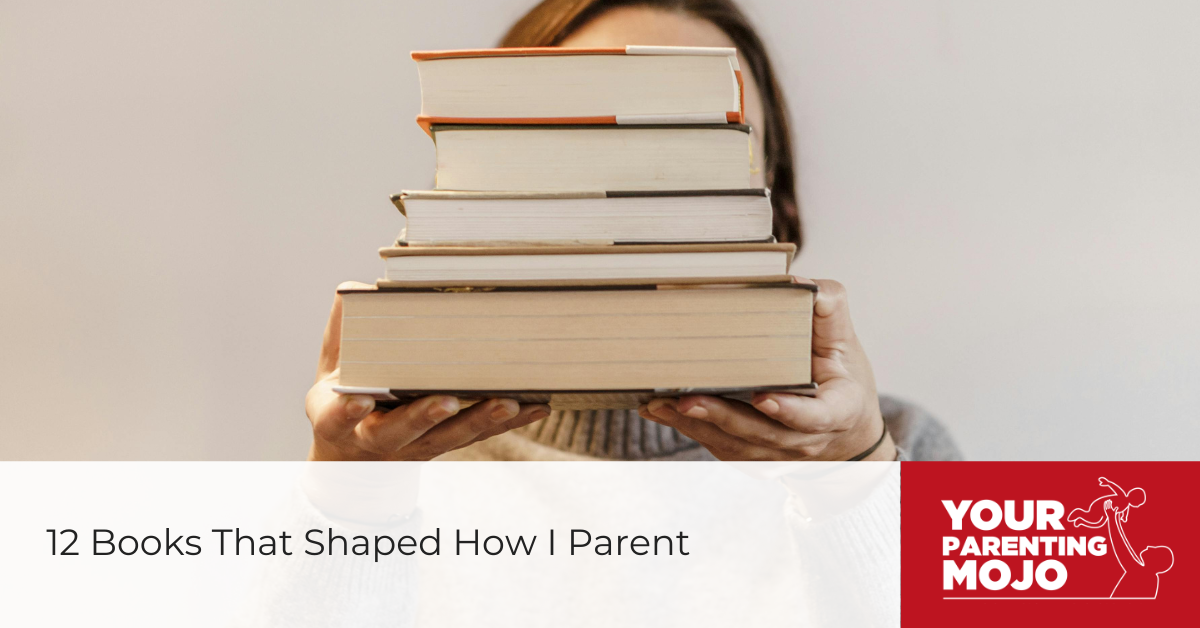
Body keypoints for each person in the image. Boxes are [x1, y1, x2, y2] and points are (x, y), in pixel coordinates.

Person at [305, 0, 963, 465]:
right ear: (483, 201)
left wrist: (857, 478)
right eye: (585, 147)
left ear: (776, 213)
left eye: (703, 152)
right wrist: (344, 507)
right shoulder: (397, 456)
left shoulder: (905, 448)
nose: (642, 216)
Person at [1104, 499, 1173, 598]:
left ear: (1155, 561)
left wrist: (1111, 518)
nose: (1149, 547)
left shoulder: (1142, 575)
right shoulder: (1149, 576)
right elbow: (1128, 550)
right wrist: (1116, 520)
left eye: (1155, 550)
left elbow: (1121, 548)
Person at [1067, 476, 1146, 528]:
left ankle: (1081, 521)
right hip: (1100, 506)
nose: (1138, 505)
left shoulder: (1126, 505)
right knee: (1093, 518)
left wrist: (1124, 516)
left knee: (1099, 524)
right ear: (1133, 498)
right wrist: (1108, 483)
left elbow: (1125, 509)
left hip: (1107, 512)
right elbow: (1116, 489)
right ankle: (1080, 513)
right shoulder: (1122, 496)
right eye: (1138, 503)